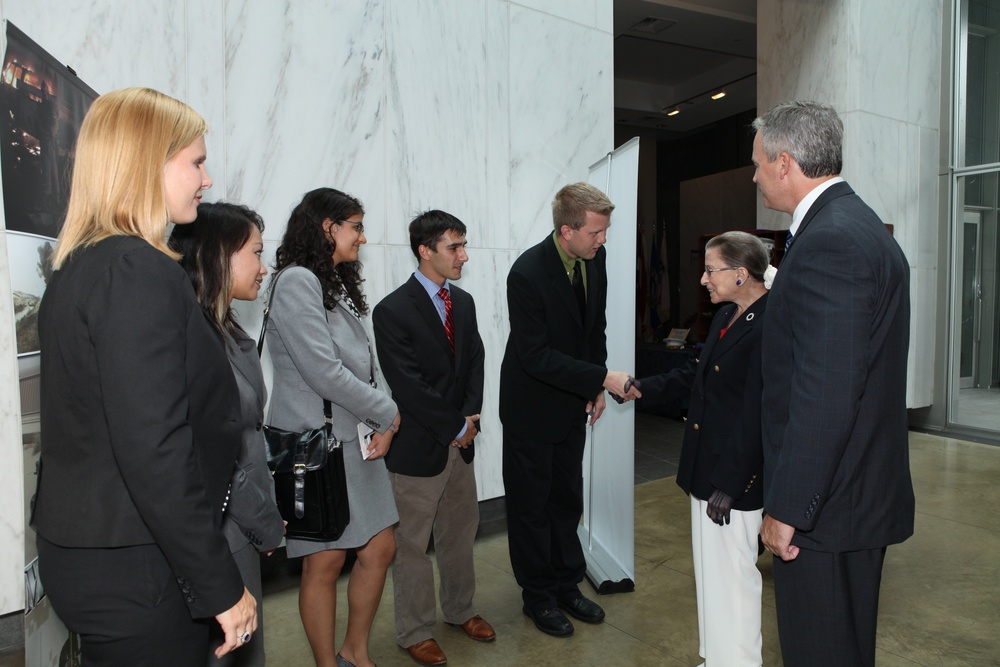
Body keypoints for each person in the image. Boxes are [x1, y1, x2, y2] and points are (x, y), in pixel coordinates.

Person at [33, 87, 256, 665]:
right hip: (137, 562)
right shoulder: (136, 269)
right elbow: (154, 446)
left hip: (98, 550)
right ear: (144, 162)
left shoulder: (83, 265)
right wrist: (219, 586)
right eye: (196, 162)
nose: (206, 181)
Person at [752, 101, 914, 666]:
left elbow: (826, 393)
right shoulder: (856, 226)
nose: (753, 176)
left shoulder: (831, 242)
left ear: (785, 164)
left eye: (757, 164)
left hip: (828, 511)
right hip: (853, 496)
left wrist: (789, 508)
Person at [265, 187, 400, 667]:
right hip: (318, 444)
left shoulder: (334, 281)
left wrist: (383, 414)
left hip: (354, 439)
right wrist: (387, 412)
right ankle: (328, 664)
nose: (362, 237)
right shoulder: (296, 281)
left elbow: (364, 361)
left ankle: (354, 653)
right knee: (324, 561)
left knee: (380, 545)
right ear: (328, 228)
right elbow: (323, 372)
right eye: (356, 226)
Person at [499, 182, 641, 637]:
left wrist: (594, 385)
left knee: (566, 501)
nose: (603, 241)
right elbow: (535, 356)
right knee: (531, 508)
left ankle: (566, 584)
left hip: (570, 403)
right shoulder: (526, 273)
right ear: (567, 230)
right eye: (597, 233)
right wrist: (602, 378)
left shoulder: (591, 262)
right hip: (530, 409)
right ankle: (537, 597)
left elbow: (591, 331)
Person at [638, 231, 772, 666]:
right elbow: (698, 375)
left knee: (735, 581)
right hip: (706, 470)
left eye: (711, 270)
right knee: (711, 578)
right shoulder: (728, 314)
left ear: (740, 273)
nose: (703, 278)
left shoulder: (772, 322)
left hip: (733, 481)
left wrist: (730, 484)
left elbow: (759, 413)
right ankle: (715, 658)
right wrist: (642, 387)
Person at [372, 210, 493, 666]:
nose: (463, 255)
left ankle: (461, 610)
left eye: (463, 245)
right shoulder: (392, 310)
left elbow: (475, 361)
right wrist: (455, 426)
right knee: (412, 547)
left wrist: (470, 420)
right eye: (454, 247)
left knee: (460, 533)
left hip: (460, 442)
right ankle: (415, 631)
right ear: (425, 251)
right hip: (419, 447)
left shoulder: (462, 303)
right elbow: (407, 385)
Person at [169, 202, 287, 666]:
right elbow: (209, 453)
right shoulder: (189, 337)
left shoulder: (227, 330)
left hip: (242, 528)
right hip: (223, 533)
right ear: (218, 254)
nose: (263, 267)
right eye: (256, 253)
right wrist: (262, 517)